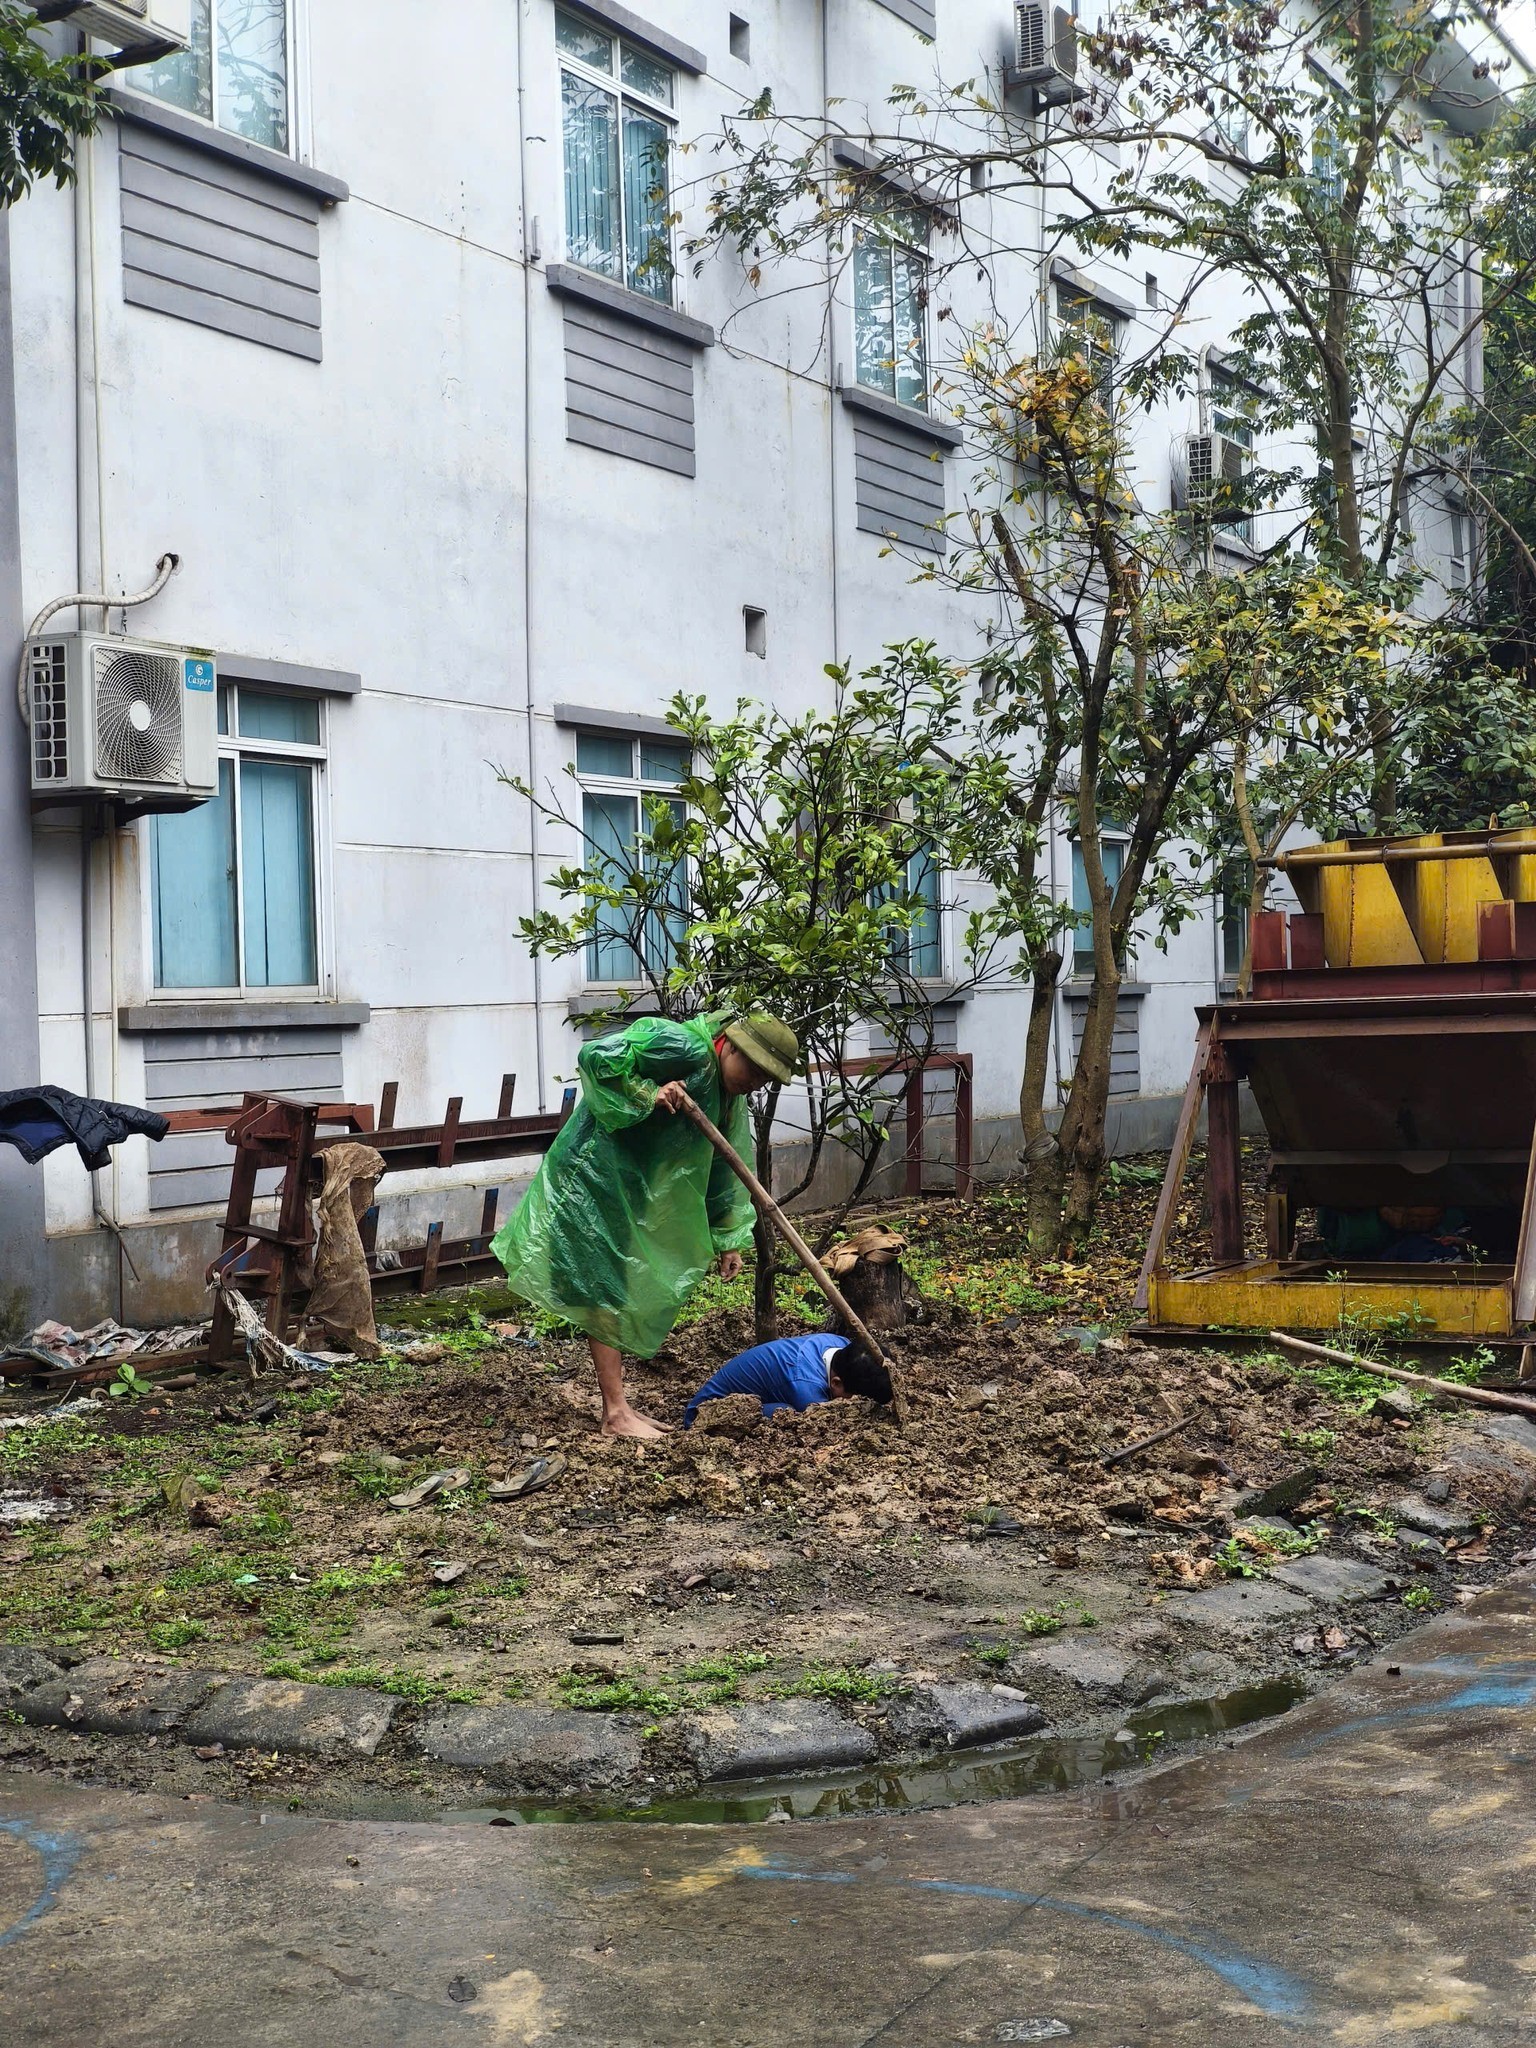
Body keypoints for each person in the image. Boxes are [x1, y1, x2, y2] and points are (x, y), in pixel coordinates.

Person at [492, 1010, 799, 1439]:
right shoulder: (683, 1047)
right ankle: (615, 1414)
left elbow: (723, 1167)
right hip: (593, 1179)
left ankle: (618, 1408)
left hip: (629, 1188)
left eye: (765, 1079)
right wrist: (648, 1092)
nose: (755, 1083)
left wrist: (728, 1237)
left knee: (614, 1286)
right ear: (729, 1045)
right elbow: (599, 1057)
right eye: (753, 1069)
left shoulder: (729, 1097)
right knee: (604, 1288)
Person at [684, 1331, 893, 1429]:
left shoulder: (838, 1343)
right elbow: (828, 1428)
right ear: (836, 1383)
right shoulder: (807, 1393)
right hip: (705, 1417)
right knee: (789, 1416)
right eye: (854, 1401)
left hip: (766, 1392)